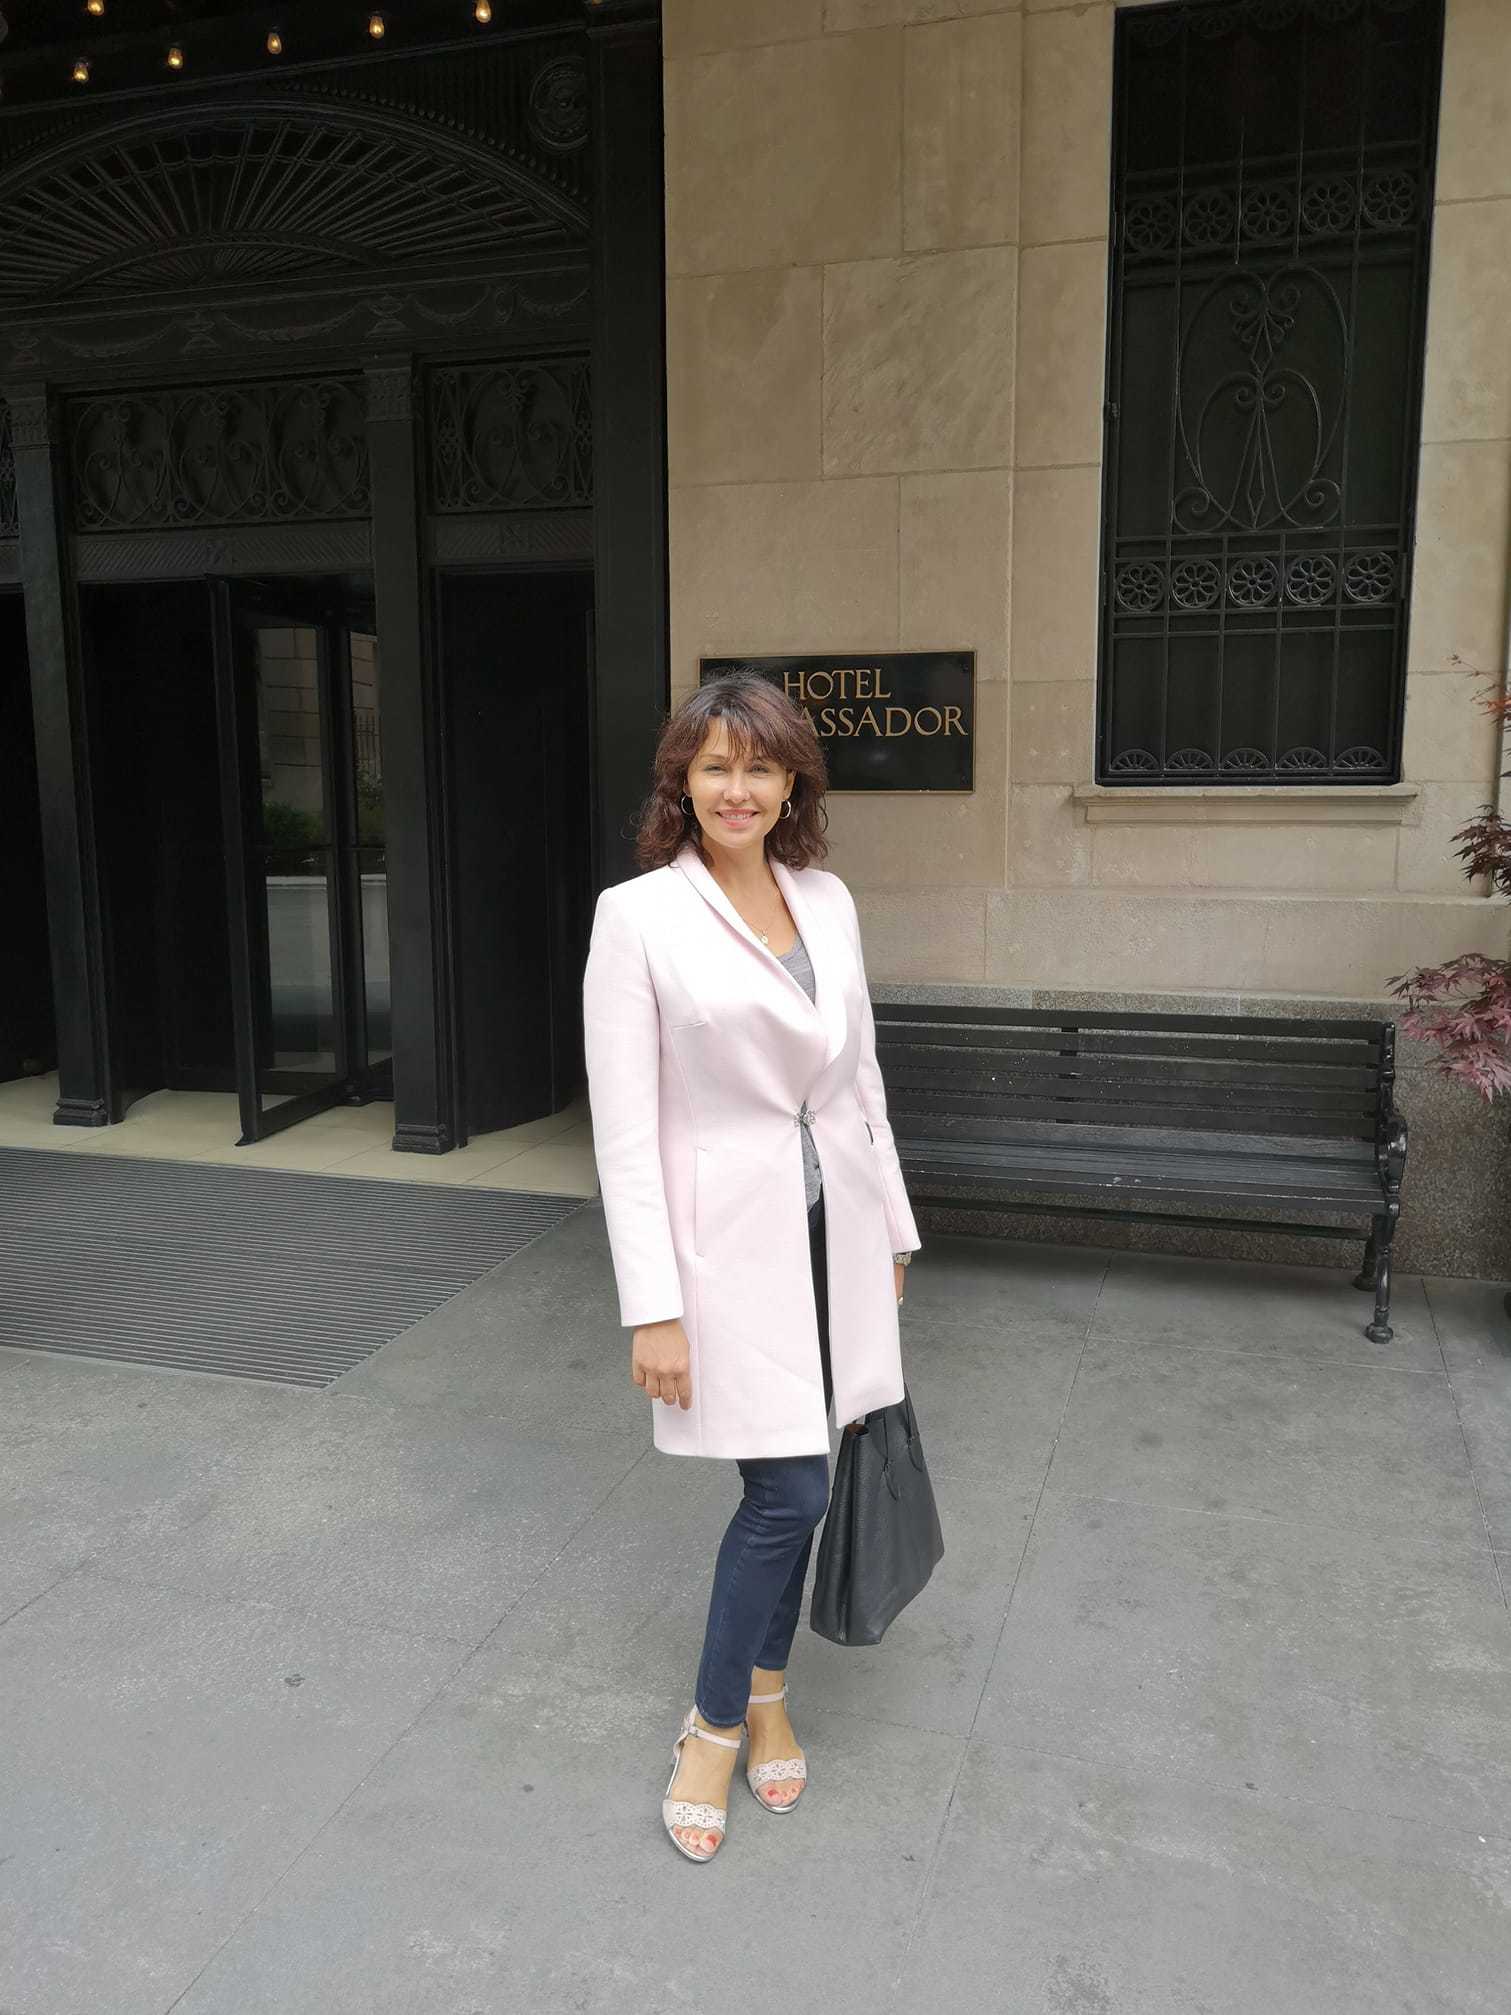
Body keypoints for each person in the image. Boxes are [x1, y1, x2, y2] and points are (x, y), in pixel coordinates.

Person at [580, 671, 922, 1864]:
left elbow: (861, 1076)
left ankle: (767, 1693)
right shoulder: (636, 916)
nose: (737, 787)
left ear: (791, 784)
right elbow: (625, 1130)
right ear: (682, 779)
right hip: (722, 1250)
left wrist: (891, 1228)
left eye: (760, 766)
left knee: (805, 1472)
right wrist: (652, 1308)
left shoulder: (824, 898)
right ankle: (715, 1723)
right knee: (789, 1493)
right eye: (716, 765)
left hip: (836, 1231)